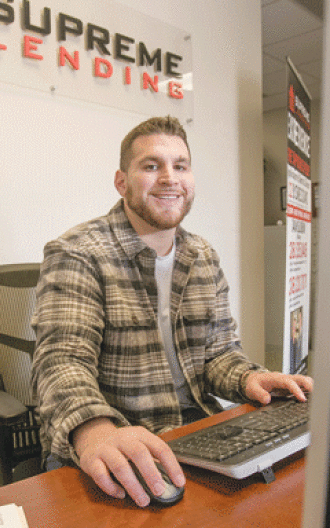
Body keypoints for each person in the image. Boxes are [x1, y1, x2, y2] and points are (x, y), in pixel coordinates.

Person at [31, 116, 312, 508]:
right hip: (123, 443)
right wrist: (95, 431)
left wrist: (250, 378)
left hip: (197, 435)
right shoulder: (79, 252)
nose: (169, 177)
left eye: (180, 166)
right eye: (151, 166)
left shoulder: (202, 255)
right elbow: (62, 360)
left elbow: (218, 354)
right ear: (121, 181)